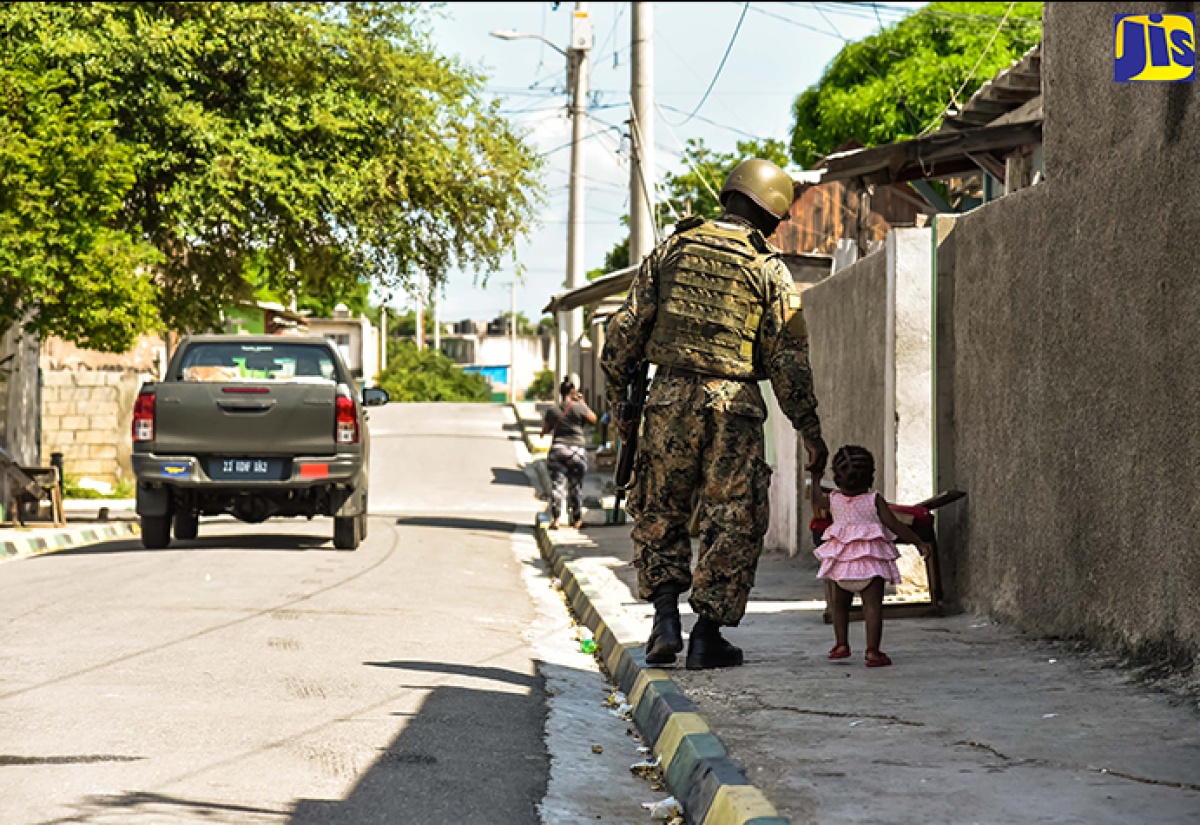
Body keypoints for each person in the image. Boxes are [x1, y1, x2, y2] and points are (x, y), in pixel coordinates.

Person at [600, 158, 828, 670]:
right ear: (768, 211)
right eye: (778, 216)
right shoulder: (767, 268)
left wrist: (621, 405)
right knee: (733, 519)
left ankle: (664, 620)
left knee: (661, 511)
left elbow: (623, 335)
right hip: (735, 410)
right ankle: (706, 636)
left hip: (668, 401)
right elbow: (788, 360)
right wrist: (810, 430)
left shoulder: (672, 249)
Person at [809, 445, 932, 668]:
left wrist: (816, 478)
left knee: (839, 605)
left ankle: (841, 644)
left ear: (837, 479)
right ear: (871, 476)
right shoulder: (874, 500)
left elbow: (817, 499)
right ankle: (873, 651)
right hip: (871, 562)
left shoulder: (834, 500)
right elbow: (894, 524)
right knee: (873, 607)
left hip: (842, 563)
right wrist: (919, 542)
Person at [540, 373, 596, 530]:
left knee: (558, 486)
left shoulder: (552, 410)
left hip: (558, 450)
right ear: (573, 392)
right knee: (575, 486)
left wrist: (545, 432)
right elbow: (593, 419)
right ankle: (577, 520)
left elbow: (545, 429)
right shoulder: (579, 408)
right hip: (576, 452)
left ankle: (556, 519)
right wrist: (583, 403)